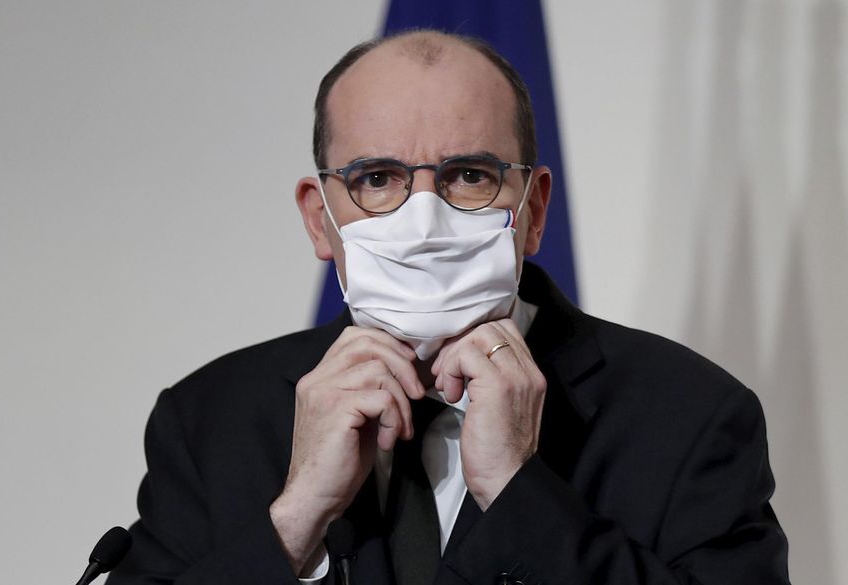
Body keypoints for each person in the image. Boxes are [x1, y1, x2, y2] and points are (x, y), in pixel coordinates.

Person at [109, 30, 790, 585]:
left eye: (469, 175)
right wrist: (291, 525)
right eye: (377, 179)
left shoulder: (691, 416)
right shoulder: (209, 421)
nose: (426, 218)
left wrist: (521, 494)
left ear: (534, 211)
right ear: (320, 221)